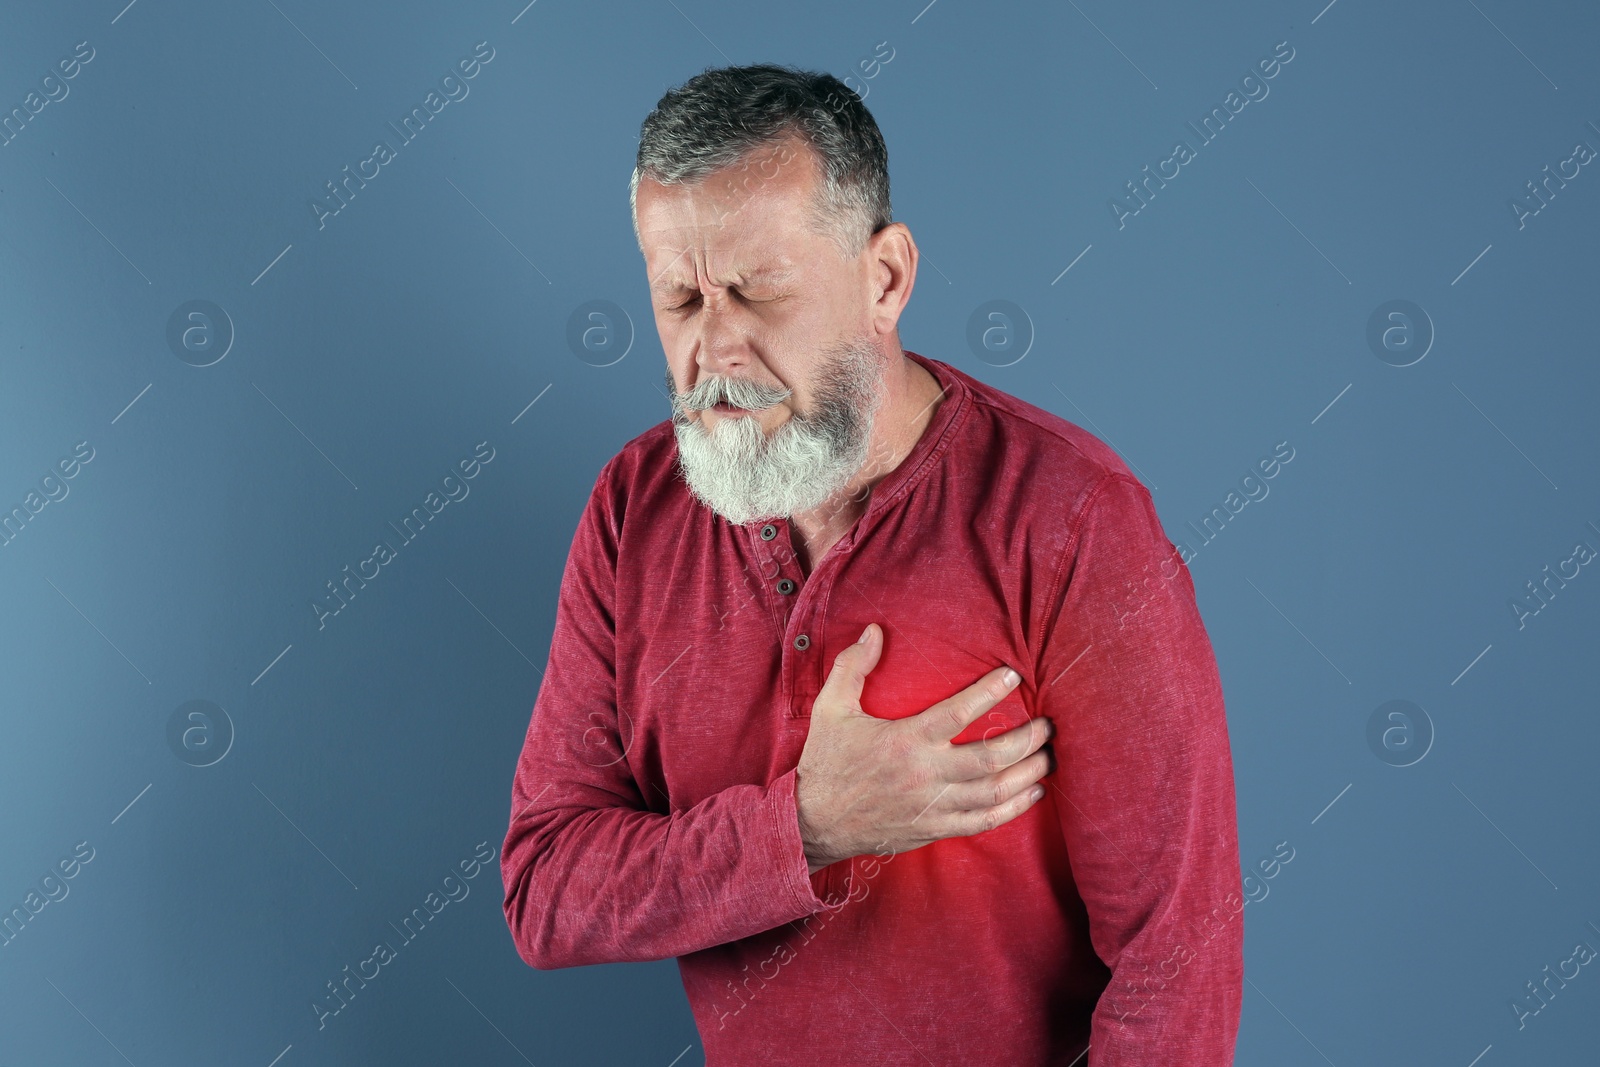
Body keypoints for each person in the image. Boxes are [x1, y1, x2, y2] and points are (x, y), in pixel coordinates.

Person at [500, 62, 1243, 1066]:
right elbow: (546, 890)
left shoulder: (1071, 520)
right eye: (678, 298)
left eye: (758, 294)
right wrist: (801, 827)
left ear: (884, 278)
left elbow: (1176, 962)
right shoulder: (634, 510)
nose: (714, 348)